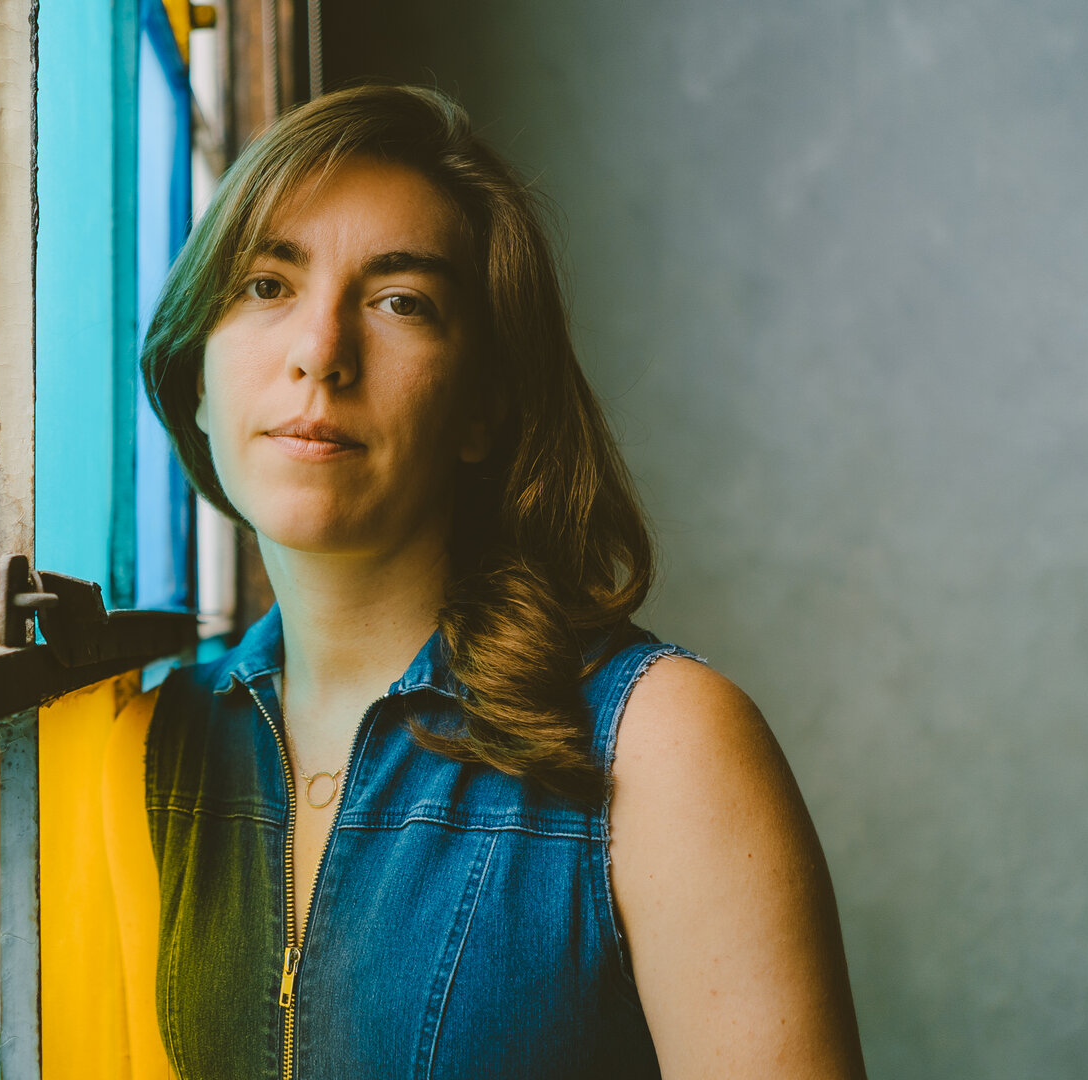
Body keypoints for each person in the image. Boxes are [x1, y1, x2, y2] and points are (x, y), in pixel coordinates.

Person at [85, 84, 866, 1079]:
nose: (320, 353)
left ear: (483, 407)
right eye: (266, 286)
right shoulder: (161, 746)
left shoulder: (664, 744)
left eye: (400, 303)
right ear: (196, 375)